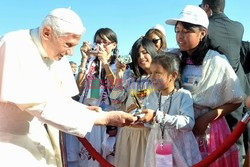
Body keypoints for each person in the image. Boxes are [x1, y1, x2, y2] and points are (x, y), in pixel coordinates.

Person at [0, 8, 136, 167]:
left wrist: (83, 110)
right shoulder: (15, 45)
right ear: (46, 33)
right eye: (68, 44)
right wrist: (101, 118)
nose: (71, 53)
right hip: (10, 143)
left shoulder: (55, 51)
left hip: (39, 137)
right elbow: (38, 104)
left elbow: (61, 99)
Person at [166, 5, 245, 166]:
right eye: (177, 31)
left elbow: (236, 99)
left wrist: (207, 117)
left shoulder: (216, 61)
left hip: (208, 132)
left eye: (186, 31)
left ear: (202, 34)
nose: (180, 36)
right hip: (180, 129)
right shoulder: (173, 58)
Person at [199, 1, 249, 164]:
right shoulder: (238, 27)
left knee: (216, 141)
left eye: (201, 6)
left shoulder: (204, 28)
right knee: (237, 137)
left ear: (206, 7)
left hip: (217, 92)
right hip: (240, 87)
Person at [141, 53, 201, 167]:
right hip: (158, 145)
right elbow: (148, 123)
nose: (152, 77)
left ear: (173, 75)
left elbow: (188, 123)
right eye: (151, 73)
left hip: (180, 147)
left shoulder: (183, 95)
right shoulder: (152, 97)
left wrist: (158, 116)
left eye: (157, 73)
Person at [110, 37, 159, 167]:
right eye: (137, 55)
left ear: (152, 52)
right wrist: (120, 74)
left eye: (145, 52)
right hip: (128, 134)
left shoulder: (161, 77)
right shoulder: (130, 77)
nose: (141, 57)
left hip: (149, 134)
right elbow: (116, 100)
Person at [76, 28, 119, 166]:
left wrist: (105, 63)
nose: (100, 46)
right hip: (90, 115)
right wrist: (84, 59)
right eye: (97, 42)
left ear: (114, 44)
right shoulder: (90, 63)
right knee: (89, 158)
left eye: (105, 42)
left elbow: (117, 90)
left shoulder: (118, 64)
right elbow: (78, 88)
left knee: (108, 157)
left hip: (108, 117)